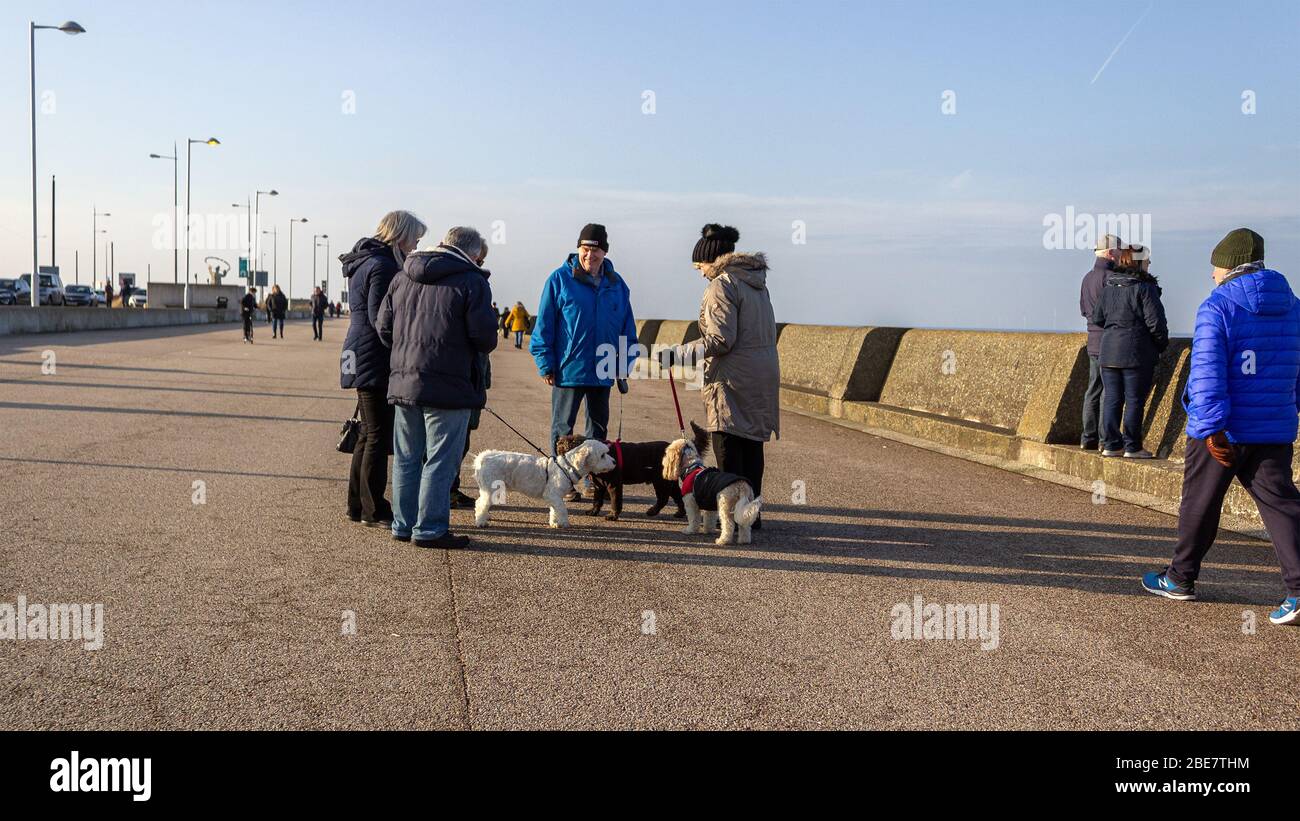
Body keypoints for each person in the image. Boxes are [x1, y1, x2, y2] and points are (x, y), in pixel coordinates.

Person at [1142, 228, 1300, 626]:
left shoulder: (1218, 306)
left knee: (1200, 503)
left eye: (1215, 267)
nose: (1212, 275)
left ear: (1228, 267)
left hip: (1223, 431)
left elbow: (1208, 375)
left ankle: (1179, 578)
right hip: (1272, 428)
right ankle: (1299, 590)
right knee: (1282, 506)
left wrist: (1211, 429)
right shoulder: (1294, 307)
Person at [376, 226, 498, 548]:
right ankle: (430, 529)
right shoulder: (473, 281)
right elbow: (485, 338)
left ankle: (403, 524)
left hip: (405, 383)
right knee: (440, 460)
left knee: (406, 457)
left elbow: (383, 328)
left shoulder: (403, 276)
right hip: (450, 386)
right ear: (472, 254)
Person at [660, 224, 779, 529]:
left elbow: (720, 340)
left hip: (732, 380)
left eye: (699, 266)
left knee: (727, 448)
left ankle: (733, 518)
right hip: (761, 375)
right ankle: (751, 516)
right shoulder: (756, 283)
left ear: (712, 260)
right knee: (752, 447)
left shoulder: (722, 285)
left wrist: (676, 354)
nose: (700, 273)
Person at [530, 223, 639, 501]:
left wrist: (624, 363)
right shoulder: (559, 279)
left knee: (597, 430)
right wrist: (545, 362)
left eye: (596, 250)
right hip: (568, 368)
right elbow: (544, 324)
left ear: (605, 251)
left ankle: (593, 479)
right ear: (579, 248)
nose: (590, 255)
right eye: (586, 249)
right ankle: (561, 480)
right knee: (562, 428)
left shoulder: (617, 285)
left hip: (604, 367)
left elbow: (627, 327)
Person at [340, 210, 426, 528]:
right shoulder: (384, 265)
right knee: (377, 434)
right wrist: (403, 348)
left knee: (368, 433)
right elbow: (382, 319)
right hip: (373, 354)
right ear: (400, 234)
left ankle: (356, 504)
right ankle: (374, 507)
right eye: (415, 238)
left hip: (360, 350)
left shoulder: (366, 261)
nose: (416, 245)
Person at [1090, 243, 1168, 458]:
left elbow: (1097, 318)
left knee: (1112, 399)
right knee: (1134, 400)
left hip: (1108, 351)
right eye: (1147, 260)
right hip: (1136, 352)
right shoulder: (1144, 288)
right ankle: (1132, 446)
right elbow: (1156, 324)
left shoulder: (1109, 287)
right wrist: (1161, 345)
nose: (1150, 264)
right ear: (1139, 262)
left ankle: (1111, 445)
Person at [452, 244, 494, 510]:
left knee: (459, 441)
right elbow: (482, 337)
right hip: (462, 380)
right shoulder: (467, 284)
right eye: (478, 259)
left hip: (471, 379)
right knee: (453, 443)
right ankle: (445, 492)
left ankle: (447, 489)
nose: (480, 264)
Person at [1079, 234, 1122, 450]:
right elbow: (1115, 312)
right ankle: (1106, 439)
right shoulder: (1112, 278)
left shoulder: (1087, 278)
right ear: (1110, 252)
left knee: (1092, 389)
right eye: (1119, 250)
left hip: (1092, 340)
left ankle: (1088, 437)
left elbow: (1084, 310)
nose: (1122, 254)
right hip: (1108, 342)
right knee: (1108, 391)